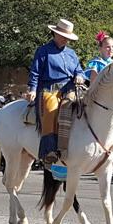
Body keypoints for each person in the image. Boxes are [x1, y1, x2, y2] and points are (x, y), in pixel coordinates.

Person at [25, 18, 86, 165]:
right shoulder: (43, 51)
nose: (66, 40)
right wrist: (32, 89)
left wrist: (79, 76)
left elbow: (80, 71)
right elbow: (35, 73)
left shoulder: (72, 53)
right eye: (64, 37)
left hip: (70, 89)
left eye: (68, 38)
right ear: (55, 34)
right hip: (50, 90)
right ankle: (49, 150)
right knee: (52, 109)